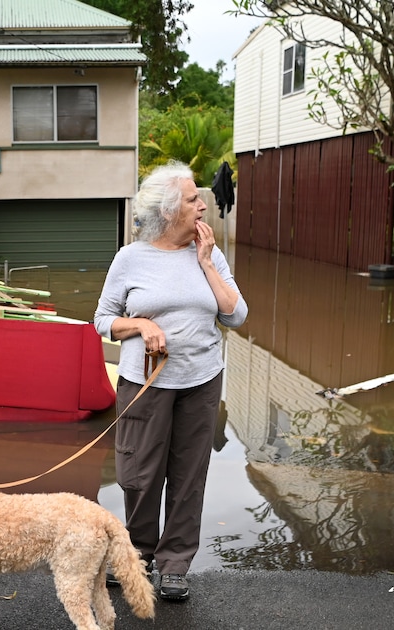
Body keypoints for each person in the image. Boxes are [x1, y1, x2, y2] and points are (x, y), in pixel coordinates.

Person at [93, 160, 248, 602]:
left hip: (201, 381)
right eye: (193, 198)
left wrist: (207, 264)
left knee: (188, 476)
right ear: (168, 210)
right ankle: (136, 556)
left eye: (200, 197)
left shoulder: (210, 254)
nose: (203, 205)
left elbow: (236, 315)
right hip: (145, 383)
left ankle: (175, 564)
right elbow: (102, 321)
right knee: (139, 474)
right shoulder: (130, 258)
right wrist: (141, 326)